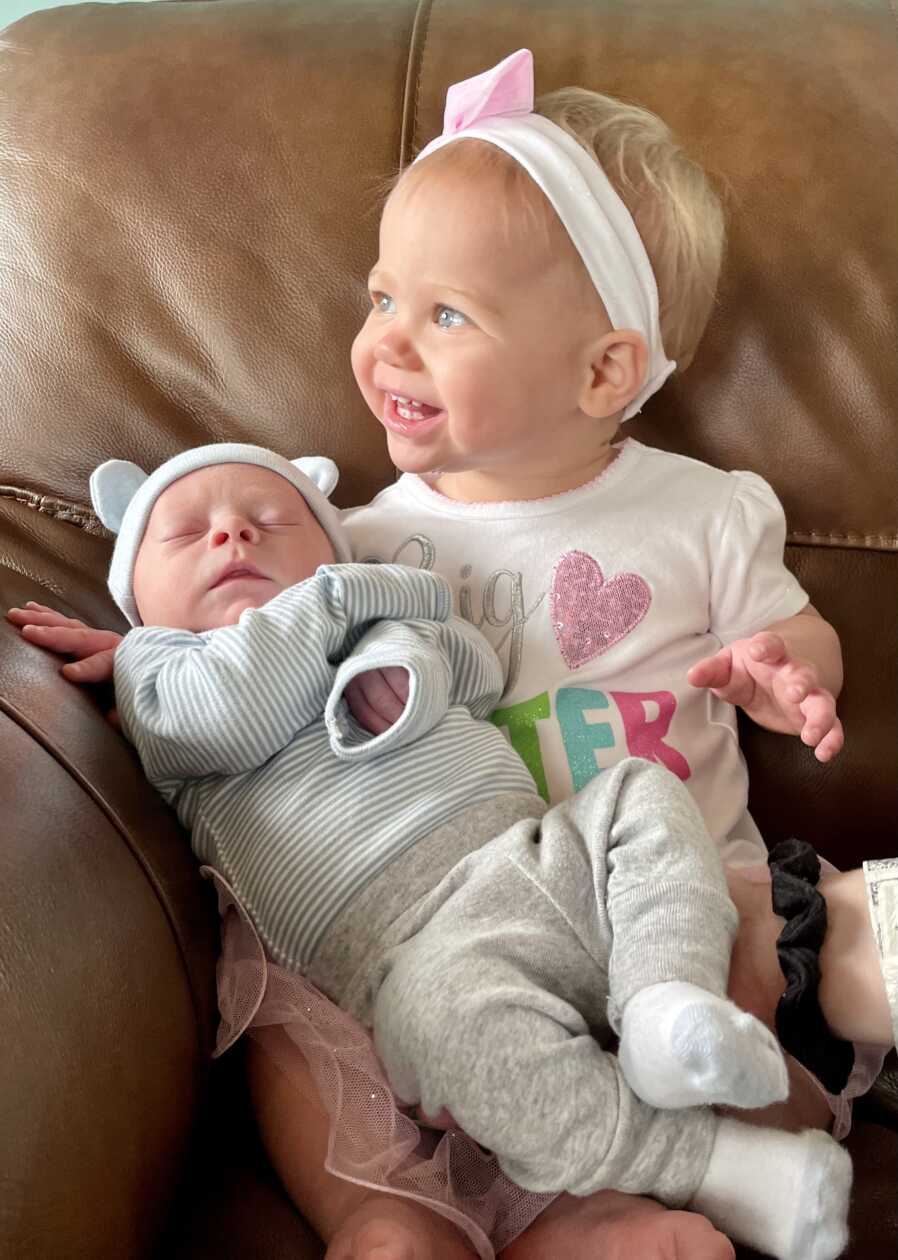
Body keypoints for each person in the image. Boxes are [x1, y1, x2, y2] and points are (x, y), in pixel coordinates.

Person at [6, 48, 889, 1260]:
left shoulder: (702, 511)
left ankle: (722, 1052)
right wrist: (141, 650)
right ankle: (512, 1218)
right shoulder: (359, 539)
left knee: (824, 924)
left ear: (603, 370)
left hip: (677, 904)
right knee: (349, 1016)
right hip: (438, 926)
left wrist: (793, 667)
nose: (387, 345)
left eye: (446, 314)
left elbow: (798, 633)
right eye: (382, 299)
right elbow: (247, 633)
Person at [90, 439, 848, 1260]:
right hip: (415, 950)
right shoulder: (159, 666)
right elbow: (223, 710)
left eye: (269, 519)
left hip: (533, 851)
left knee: (641, 793)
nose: (233, 536)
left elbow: (470, 666)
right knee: (450, 1035)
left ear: (331, 536)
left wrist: (398, 651)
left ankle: (667, 1001)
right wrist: (337, 600)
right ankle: (709, 1167)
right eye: (186, 532)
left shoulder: (380, 608)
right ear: (133, 591)